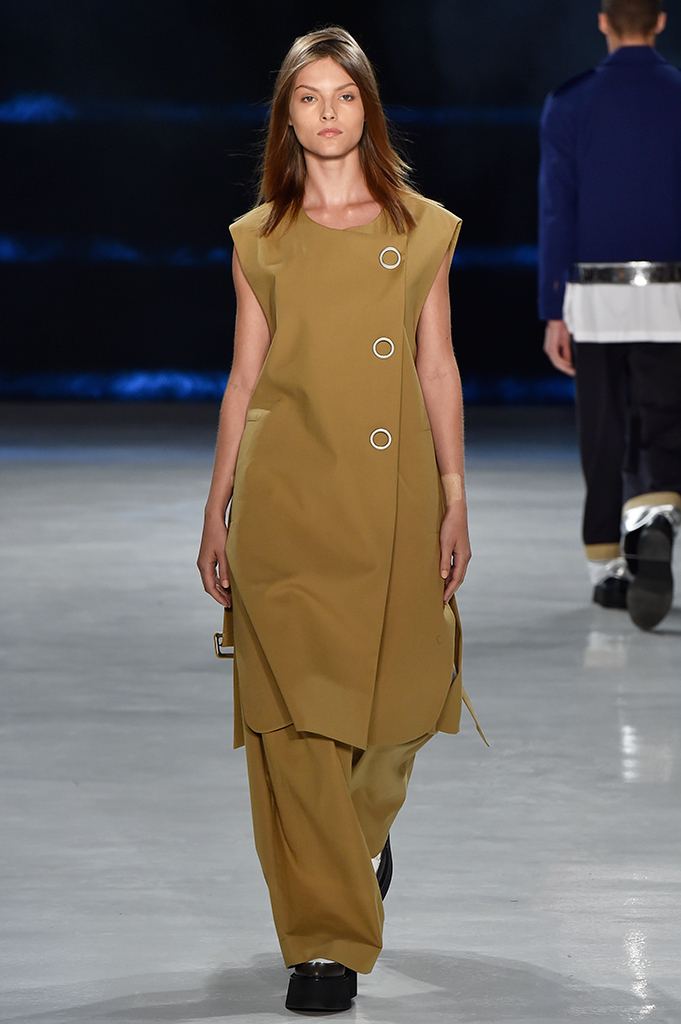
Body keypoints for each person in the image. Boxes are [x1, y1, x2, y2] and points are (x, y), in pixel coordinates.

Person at [197, 26, 483, 1013]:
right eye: (308, 97)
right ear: (286, 116)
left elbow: (436, 365)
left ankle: (351, 842)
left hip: (393, 498)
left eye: (344, 95)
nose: (327, 113)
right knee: (292, 724)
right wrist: (215, 508)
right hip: (285, 505)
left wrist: (455, 491)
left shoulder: (424, 229)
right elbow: (244, 379)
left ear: (369, 108)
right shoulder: (259, 238)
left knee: (404, 702)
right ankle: (324, 945)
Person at [539, 0, 681, 630]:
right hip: (673, 288)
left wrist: (553, 308)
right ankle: (653, 523)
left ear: (603, 22)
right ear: (660, 21)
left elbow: (557, 212)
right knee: (663, 418)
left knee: (602, 426)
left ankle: (611, 565)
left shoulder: (569, 102)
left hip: (594, 292)